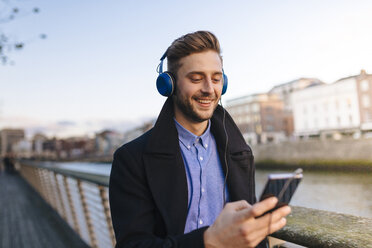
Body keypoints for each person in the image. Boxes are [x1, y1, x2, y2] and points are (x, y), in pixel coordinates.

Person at [109, 31, 291, 248]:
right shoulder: (130, 159)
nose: (209, 89)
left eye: (216, 79)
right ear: (169, 85)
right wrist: (209, 241)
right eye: (196, 78)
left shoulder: (240, 152)